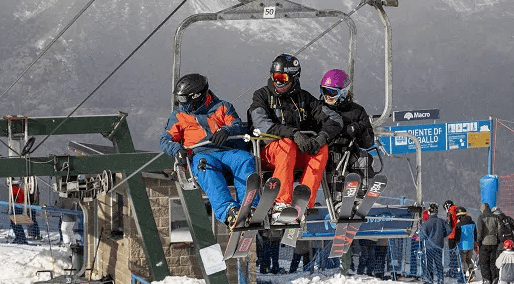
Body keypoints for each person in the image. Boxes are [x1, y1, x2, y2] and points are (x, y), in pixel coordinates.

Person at [247, 54, 343, 215]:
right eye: (274, 76)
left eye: (282, 78)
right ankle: (281, 202)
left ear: (293, 77)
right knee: (287, 144)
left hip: (295, 153)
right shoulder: (262, 96)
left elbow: (334, 119)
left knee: (321, 150)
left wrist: (321, 138)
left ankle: (304, 201)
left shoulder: (303, 98)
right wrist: (293, 134)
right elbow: (261, 124)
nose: (277, 82)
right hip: (269, 153)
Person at [161, 73, 256, 227]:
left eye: (184, 99)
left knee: (244, 159)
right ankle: (229, 211)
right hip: (201, 154)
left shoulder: (222, 107)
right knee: (205, 165)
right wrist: (177, 150)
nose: (181, 103)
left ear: (197, 96)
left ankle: (250, 206)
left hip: (226, 152)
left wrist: (226, 131)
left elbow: (237, 125)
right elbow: (166, 140)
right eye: (180, 99)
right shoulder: (179, 116)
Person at [317, 68, 376, 212]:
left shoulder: (357, 111)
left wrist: (357, 129)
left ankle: (359, 198)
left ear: (343, 92)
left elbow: (368, 141)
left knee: (363, 158)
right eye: (324, 91)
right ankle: (337, 201)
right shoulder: (320, 109)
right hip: (332, 150)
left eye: (332, 93)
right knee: (334, 162)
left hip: (351, 150)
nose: (327, 96)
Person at [418, 203, 450, 284]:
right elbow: (449, 230)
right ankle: (441, 279)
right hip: (439, 245)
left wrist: (424, 237)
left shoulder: (426, 223)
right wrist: (442, 235)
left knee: (429, 263)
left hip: (430, 246)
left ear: (429, 212)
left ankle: (430, 278)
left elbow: (422, 235)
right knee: (439, 262)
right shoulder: (442, 221)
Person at [477, 204, 501, 284]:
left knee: (484, 262)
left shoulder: (481, 217)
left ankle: (486, 280)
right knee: (493, 262)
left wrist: (479, 241)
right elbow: (499, 230)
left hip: (485, 242)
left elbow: (479, 231)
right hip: (494, 242)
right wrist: (498, 240)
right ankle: (495, 280)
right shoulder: (495, 217)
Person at [454, 207, 477, 283]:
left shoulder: (459, 225)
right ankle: (472, 274)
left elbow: (457, 236)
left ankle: (462, 276)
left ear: (459, 216)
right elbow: (475, 234)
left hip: (462, 246)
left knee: (462, 261)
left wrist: (456, 242)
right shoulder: (473, 223)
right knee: (469, 260)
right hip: (471, 245)